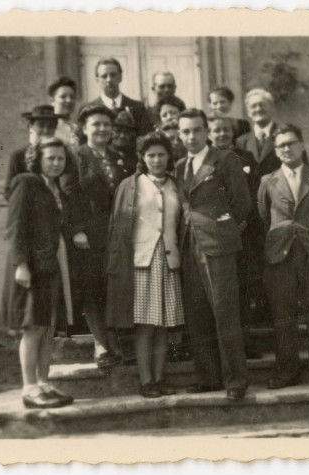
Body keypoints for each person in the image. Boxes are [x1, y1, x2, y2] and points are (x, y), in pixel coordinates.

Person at [0, 137, 83, 408]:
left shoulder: (53, 188)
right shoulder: (26, 182)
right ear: (38, 160)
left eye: (60, 158)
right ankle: (29, 388)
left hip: (50, 265)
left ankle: (44, 383)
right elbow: (15, 226)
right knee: (33, 328)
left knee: (47, 329)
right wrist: (21, 264)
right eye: (51, 158)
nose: (57, 163)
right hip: (32, 267)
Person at [175, 108, 251, 401]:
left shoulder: (225, 159)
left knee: (224, 312)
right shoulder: (181, 164)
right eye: (185, 132)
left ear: (206, 131)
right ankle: (208, 377)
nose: (191, 136)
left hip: (218, 246)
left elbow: (242, 204)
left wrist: (223, 231)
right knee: (197, 315)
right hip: (189, 245)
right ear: (180, 135)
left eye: (196, 130)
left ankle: (236, 380)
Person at [257, 124, 309, 390]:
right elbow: (264, 217)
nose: (286, 149)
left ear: (302, 146)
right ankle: (287, 371)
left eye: (291, 143)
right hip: (280, 254)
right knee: (284, 315)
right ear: (276, 151)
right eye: (281, 145)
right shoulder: (268, 181)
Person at [106, 132, 185, 398]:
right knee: (145, 325)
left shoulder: (176, 184)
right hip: (142, 261)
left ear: (168, 156)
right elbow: (118, 227)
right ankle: (146, 380)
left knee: (164, 324)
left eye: (161, 154)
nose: (156, 159)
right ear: (142, 157)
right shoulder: (131, 185)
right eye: (150, 155)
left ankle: (160, 379)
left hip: (169, 260)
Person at [61, 104, 130, 369]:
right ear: (84, 128)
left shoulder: (119, 157)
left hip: (117, 233)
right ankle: (102, 345)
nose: (102, 129)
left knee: (112, 288)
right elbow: (69, 194)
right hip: (88, 235)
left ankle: (115, 343)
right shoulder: (76, 157)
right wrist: (77, 229)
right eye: (96, 124)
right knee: (93, 291)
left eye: (106, 124)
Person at [208, 113, 265, 360]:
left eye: (225, 130)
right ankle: (220, 344)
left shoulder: (246, 158)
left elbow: (253, 195)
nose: (221, 134)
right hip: (215, 234)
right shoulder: (205, 160)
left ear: (233, 133)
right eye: (216, 130)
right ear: (209, 134)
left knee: (242, 286)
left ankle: (246, 339)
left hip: (243, 232)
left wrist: (240, 223)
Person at [80, 57, 152, 136]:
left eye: (113, 75)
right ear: (97, 80)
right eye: (104, 76)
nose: (109, 80)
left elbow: (145, 139)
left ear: (120, 77)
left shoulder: (138, 107)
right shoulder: (88, 109)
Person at [3, 105, 61, 200]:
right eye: (41, 125)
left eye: (50, 126)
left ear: (55, 128)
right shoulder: (18, 155)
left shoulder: (61, 154)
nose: (46, 130)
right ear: (31, 127)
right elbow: (8, 193)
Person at [235, 88, 282, 178]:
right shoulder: (241, 142)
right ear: (248, 112)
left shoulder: (285, 135)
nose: (258, 109)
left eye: (262, 105)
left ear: (272, 108)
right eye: (253, 106)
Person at [48, 76, 82, 155]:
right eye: (63, 97)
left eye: (72, 97)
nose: (69, 100)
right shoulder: (50, 128)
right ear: (52, 100)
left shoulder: (76, 128)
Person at [111, 110, 139, 174]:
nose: (122, 136)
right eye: (118, 131)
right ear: (111, 132)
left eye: (127, 132)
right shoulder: (105, 154)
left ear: (132, 135)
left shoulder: (136, 156)